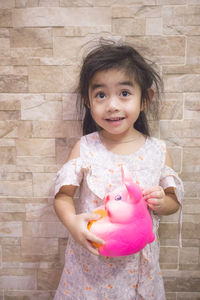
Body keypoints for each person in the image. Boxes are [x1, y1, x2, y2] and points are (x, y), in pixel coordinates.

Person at [53, 39, 184, 300]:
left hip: (138, 271)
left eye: (124, 93)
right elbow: (63, 195)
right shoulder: (86, 147)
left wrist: (161, 201)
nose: (112, 105)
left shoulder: (158, 150)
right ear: (89, 101)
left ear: (145, 98)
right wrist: (72, 223)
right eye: (101, 95)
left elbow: (173, 202)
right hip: (89, 267)